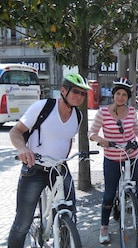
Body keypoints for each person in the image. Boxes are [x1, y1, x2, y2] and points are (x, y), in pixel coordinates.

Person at [7, 73, 91, 248]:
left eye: (84, 94)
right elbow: (15, 131)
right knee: (23, 222)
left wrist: (63, 160)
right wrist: (22, 148)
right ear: (63, 91)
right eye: (76, 91)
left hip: (59, 168)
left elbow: (67, 139)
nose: (80, 96)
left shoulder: (78, 115)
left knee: (68, 213)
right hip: (34, 168)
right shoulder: (42, 107)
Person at [88, 77, 138, 244]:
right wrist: (101, 140)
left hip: (132, 157)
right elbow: (91, 133)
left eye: (124, 95)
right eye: (118, 94)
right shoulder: (103, 112)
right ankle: (104, 227)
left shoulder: (132, 111)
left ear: (128, 97)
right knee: (109, 195)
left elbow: (137, 130)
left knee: (136, 192)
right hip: (112, 158)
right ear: (113, 95)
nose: (120, 97)